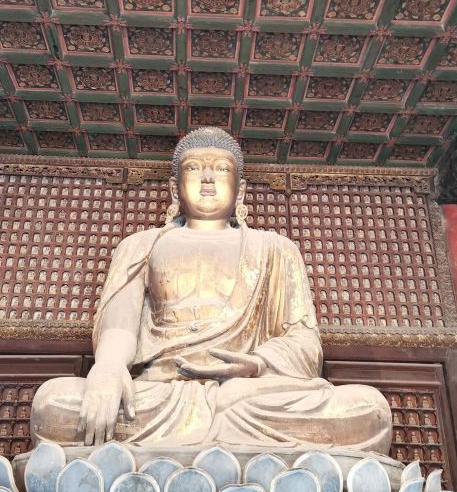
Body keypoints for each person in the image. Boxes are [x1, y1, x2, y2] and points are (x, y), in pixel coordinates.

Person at [31, 128, 391, 453]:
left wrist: (258, 363)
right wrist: (109, 371)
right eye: (194, 168)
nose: (207, 178)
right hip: (162, 392)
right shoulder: (141, 245)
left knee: (369, 409)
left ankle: (181, 443)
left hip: (247, 394)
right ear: (174, 189)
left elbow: (305, 342)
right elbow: (119, 326)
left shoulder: (275, 249)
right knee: (52, 404)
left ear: (240, 189)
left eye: (220, 169)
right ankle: (232, 446)